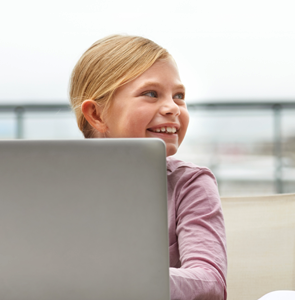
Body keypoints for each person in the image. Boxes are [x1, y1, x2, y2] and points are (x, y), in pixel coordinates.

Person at [69, 35, 227, 300]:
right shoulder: (57, 184)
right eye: (151, 94)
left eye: (179, 96)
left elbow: (209, 282)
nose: (173, 108)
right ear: (96, 115)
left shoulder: (190, 184)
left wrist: (119, 279)